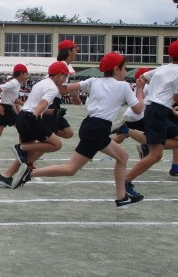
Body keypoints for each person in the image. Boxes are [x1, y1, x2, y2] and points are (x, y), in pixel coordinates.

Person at [14, 53, 146, 209]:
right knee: (71, 169)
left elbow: (65, 89)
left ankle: (122, 197)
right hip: (98, 129)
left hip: (90, 125)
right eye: (125, 68)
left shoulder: (93, 81)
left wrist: (72, 93)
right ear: (116, 69)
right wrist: (139, 89)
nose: (126, 72)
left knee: (122, 156)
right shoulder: (123, 86)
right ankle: (30, 173)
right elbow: (138, 109)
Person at [124, 40, 178, 197]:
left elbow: (142, 77)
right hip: (158, 111)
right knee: (156, 155)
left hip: (156, 109)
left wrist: (151, 89)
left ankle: (150, 144)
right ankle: (125, 181)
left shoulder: (163, 68)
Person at [0, 61, 68, 188]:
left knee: (28, 155)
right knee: (57, 145)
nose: (65, 80)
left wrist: (53, 112)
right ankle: (21, 148)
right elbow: (42, 103)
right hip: (30, 118)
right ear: (60, 75)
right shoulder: (53, 88)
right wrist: (35, 116)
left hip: (22, 117)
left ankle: (5, 176)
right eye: (65, 76)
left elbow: (33, 104)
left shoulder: (41, 83)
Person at [111, 67, 178, 179]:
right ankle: (173, 166)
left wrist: (173, 111)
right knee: (157, 140)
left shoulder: (142, 86)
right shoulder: (149, 87)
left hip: (131, 116)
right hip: (142, 116)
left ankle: (99, 142)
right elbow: (159, 101)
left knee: (119, 140)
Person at [40, 39, 80, 140]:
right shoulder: (63, 66)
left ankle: (44, 131)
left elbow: (63, 88)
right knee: (51, 140)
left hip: (53, 102)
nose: (76, 53)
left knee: (68, 133)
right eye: (75, 50)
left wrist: (73, 94)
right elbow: (62, 90)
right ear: (69, 51)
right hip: (51, 103)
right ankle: (24, 148)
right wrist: (75, 92)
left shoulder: (63, 65)